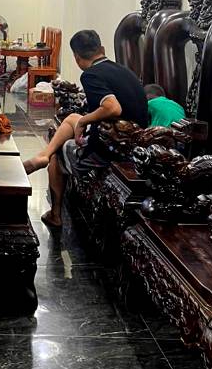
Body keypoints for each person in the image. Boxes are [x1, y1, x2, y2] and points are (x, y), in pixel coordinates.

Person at [23, 29, 148, 230]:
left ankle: (55, 213)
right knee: (73, 118)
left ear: (77, 57)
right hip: (136, 145)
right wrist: (82, 120)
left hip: (109, 150)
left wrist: (84, 122)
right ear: (101, 49)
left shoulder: (91, 75)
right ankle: (43, 155)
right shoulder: (124, 71)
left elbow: (113, 107)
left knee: (57, 156)